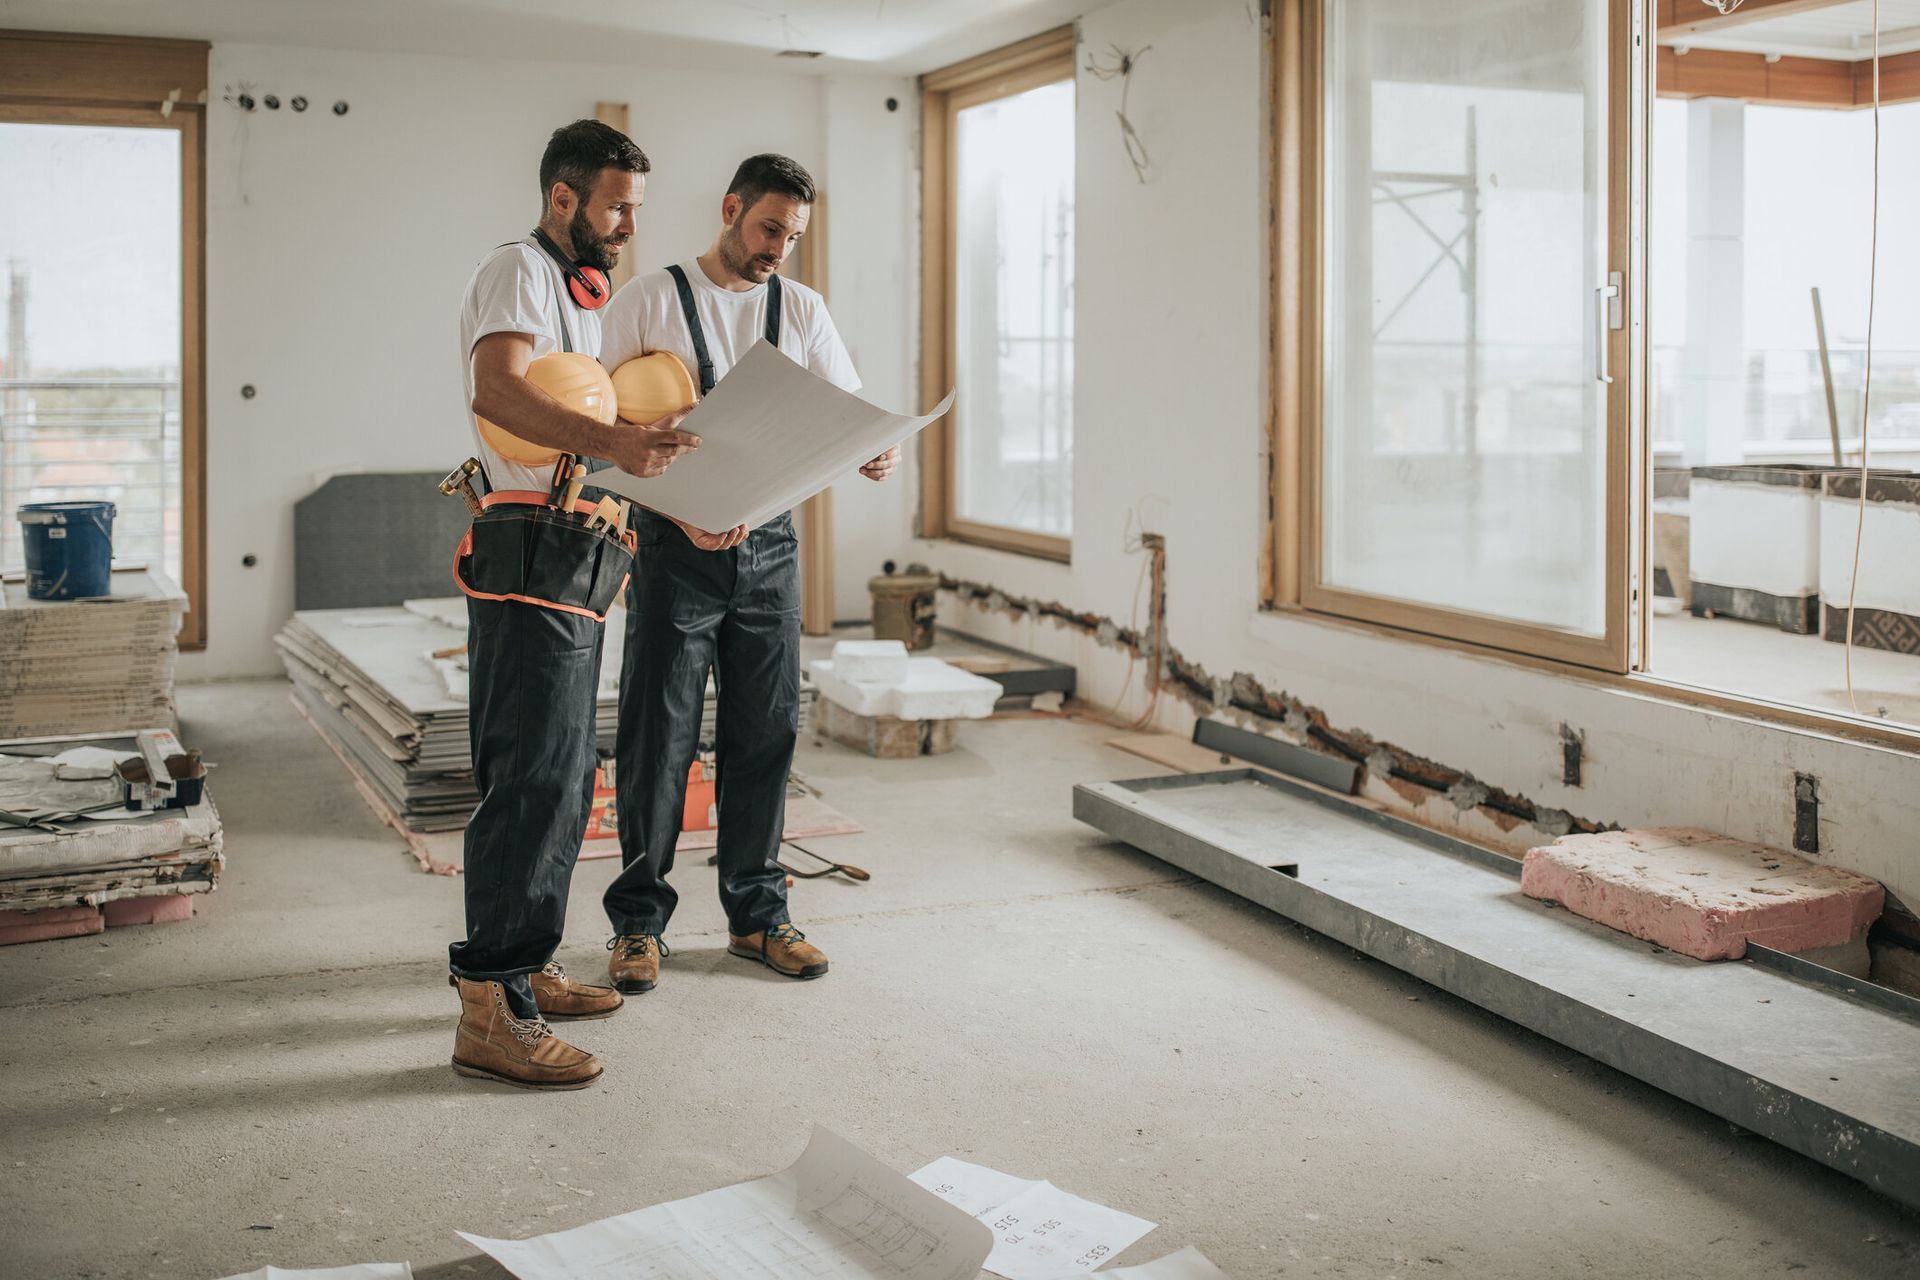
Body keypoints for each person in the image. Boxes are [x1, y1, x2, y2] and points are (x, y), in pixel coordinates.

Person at [597, 153, 899, 992]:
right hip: (672, 549)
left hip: (770, 552)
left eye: (793, 236)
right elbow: (596, 424)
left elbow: (847, 410)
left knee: (765, 733)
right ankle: (637, 926)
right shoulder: (649, 300)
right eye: (769, 228)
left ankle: (759, 918)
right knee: (658, 737)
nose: (778, 248)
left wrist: (876, 449)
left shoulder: (799, 307)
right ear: (731, 208)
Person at [446, 119, 699, 1090]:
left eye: (636, 206)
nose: (630, 223)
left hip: (582, 538)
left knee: (564, 773)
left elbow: (582, 406)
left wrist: (639, 439)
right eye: (618, 205)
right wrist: (619, 447)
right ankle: (491, 1006)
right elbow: (500, 393)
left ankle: (530, 962)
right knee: (530, 775)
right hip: (529, 538)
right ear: (565, 198)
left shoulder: (580, 296)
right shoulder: (518, 268)